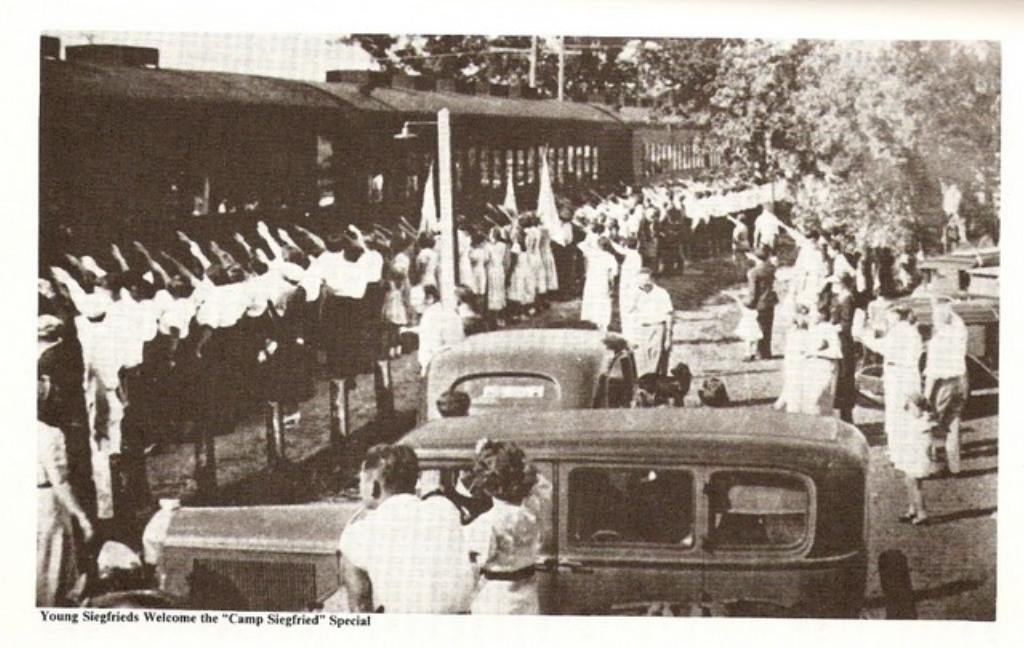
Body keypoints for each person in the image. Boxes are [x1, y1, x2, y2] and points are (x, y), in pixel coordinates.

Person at [338, 444, 474, 614]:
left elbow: (360, 608)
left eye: (360, 481)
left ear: (374, 487)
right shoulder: (445, 509)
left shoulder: (358, 533)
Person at [464, 440, 552, 615]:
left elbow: (472, 567)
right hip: (527, 594)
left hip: (495, 599)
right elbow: (543, 485)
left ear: (487, 485)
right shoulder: (533, 508)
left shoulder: (488, 522)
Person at [38, 338, 95, 607]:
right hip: (46, 504)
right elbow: (59, 483)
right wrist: (82, 517)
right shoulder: (49, 435)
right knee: (49, 563)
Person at [856, 305, 924, 444]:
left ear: (897, 316)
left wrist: (863, 336)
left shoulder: (899, 331)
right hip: (906, 372)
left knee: (897, 411)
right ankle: (903, 448)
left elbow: (881, 347)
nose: (887, 319)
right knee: (904, 411)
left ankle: (899, 450)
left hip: (899, 373)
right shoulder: (910, 330)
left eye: (889, 316)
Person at [923, 299, 969, 475]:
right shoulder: (959, 330)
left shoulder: (938, 341)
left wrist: (926, 397)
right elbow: (954, 318)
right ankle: (955, 466)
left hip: (943, 385)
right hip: (961, 380)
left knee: (936, 424)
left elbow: (933, 373)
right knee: (954, 423)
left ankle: (935, 466)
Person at [895, 394, 939, 525]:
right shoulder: (911, 419)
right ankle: (912, 509)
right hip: (910, 455)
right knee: (909, 481)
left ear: (921, 408)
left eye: (914, 408)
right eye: (909, 408)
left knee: (916, 485)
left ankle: (922, 512)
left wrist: (929, 454)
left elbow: (928, 442)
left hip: (918, 456)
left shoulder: (924, 421)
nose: (911, 411)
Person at [793, 306, 843, 416]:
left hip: (825, 368)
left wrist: (814, 353)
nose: (810, 315)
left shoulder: (829, 329)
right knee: (807, 403)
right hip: (810, 368)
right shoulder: (811, 328)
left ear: (823, 315)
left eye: (813, 313)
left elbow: (837, 352)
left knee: (819, 401)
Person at [626, 268, 674, 376]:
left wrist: (668, 338)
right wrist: (631, 336)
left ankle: (653, 388)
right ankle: (643, 388)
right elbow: (631, 314)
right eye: (640, 283)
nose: (643, 285)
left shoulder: (662, 293)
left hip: (657, 329)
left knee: (655, 363)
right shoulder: (637, 294)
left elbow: (668, 316)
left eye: (646, 281)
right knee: (640, 364)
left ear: (651, 280)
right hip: (641, 330)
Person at [417, 285, 465, 376]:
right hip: (458, 363)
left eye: (417, 300)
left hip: (439, 367)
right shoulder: (449, 312)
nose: (414, 304)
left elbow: (429, 347)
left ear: (430, 298)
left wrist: (424, 368)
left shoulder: (429, 316)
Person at [830, 273, 858, 423]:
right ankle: (844, 414)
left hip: (844, 343)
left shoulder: (847, 299)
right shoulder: (840, 298)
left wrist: (832, 328)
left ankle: (847, 416)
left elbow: (846, 323)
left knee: (845, 376)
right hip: (839, 341)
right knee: (841, 377)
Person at [744, 246, 778, 360]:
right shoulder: (771, 268)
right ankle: (766, 351)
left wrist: (748, 303)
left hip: (759, 302)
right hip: (770, 300)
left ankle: (758, 352)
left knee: (757, 328)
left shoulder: (753, 272)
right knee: (768, 326)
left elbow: (753, 292)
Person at [774, 304, 810, 412]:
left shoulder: (802, 332)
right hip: (792, 358)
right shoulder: (793, 331)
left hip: (797, 359)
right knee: (791, 380)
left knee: (795, 381)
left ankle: (782, 404)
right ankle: (783, 403)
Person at [578, 236, 618, 331]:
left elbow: (580, 245)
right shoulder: (610, 257)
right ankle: (602, 322)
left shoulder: (593, 254)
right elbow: (614, 272)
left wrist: (590, 239)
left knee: (593, 299)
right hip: (602, 280)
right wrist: (611, 282)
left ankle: (595, 320)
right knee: (603, 300)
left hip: (593, 280)